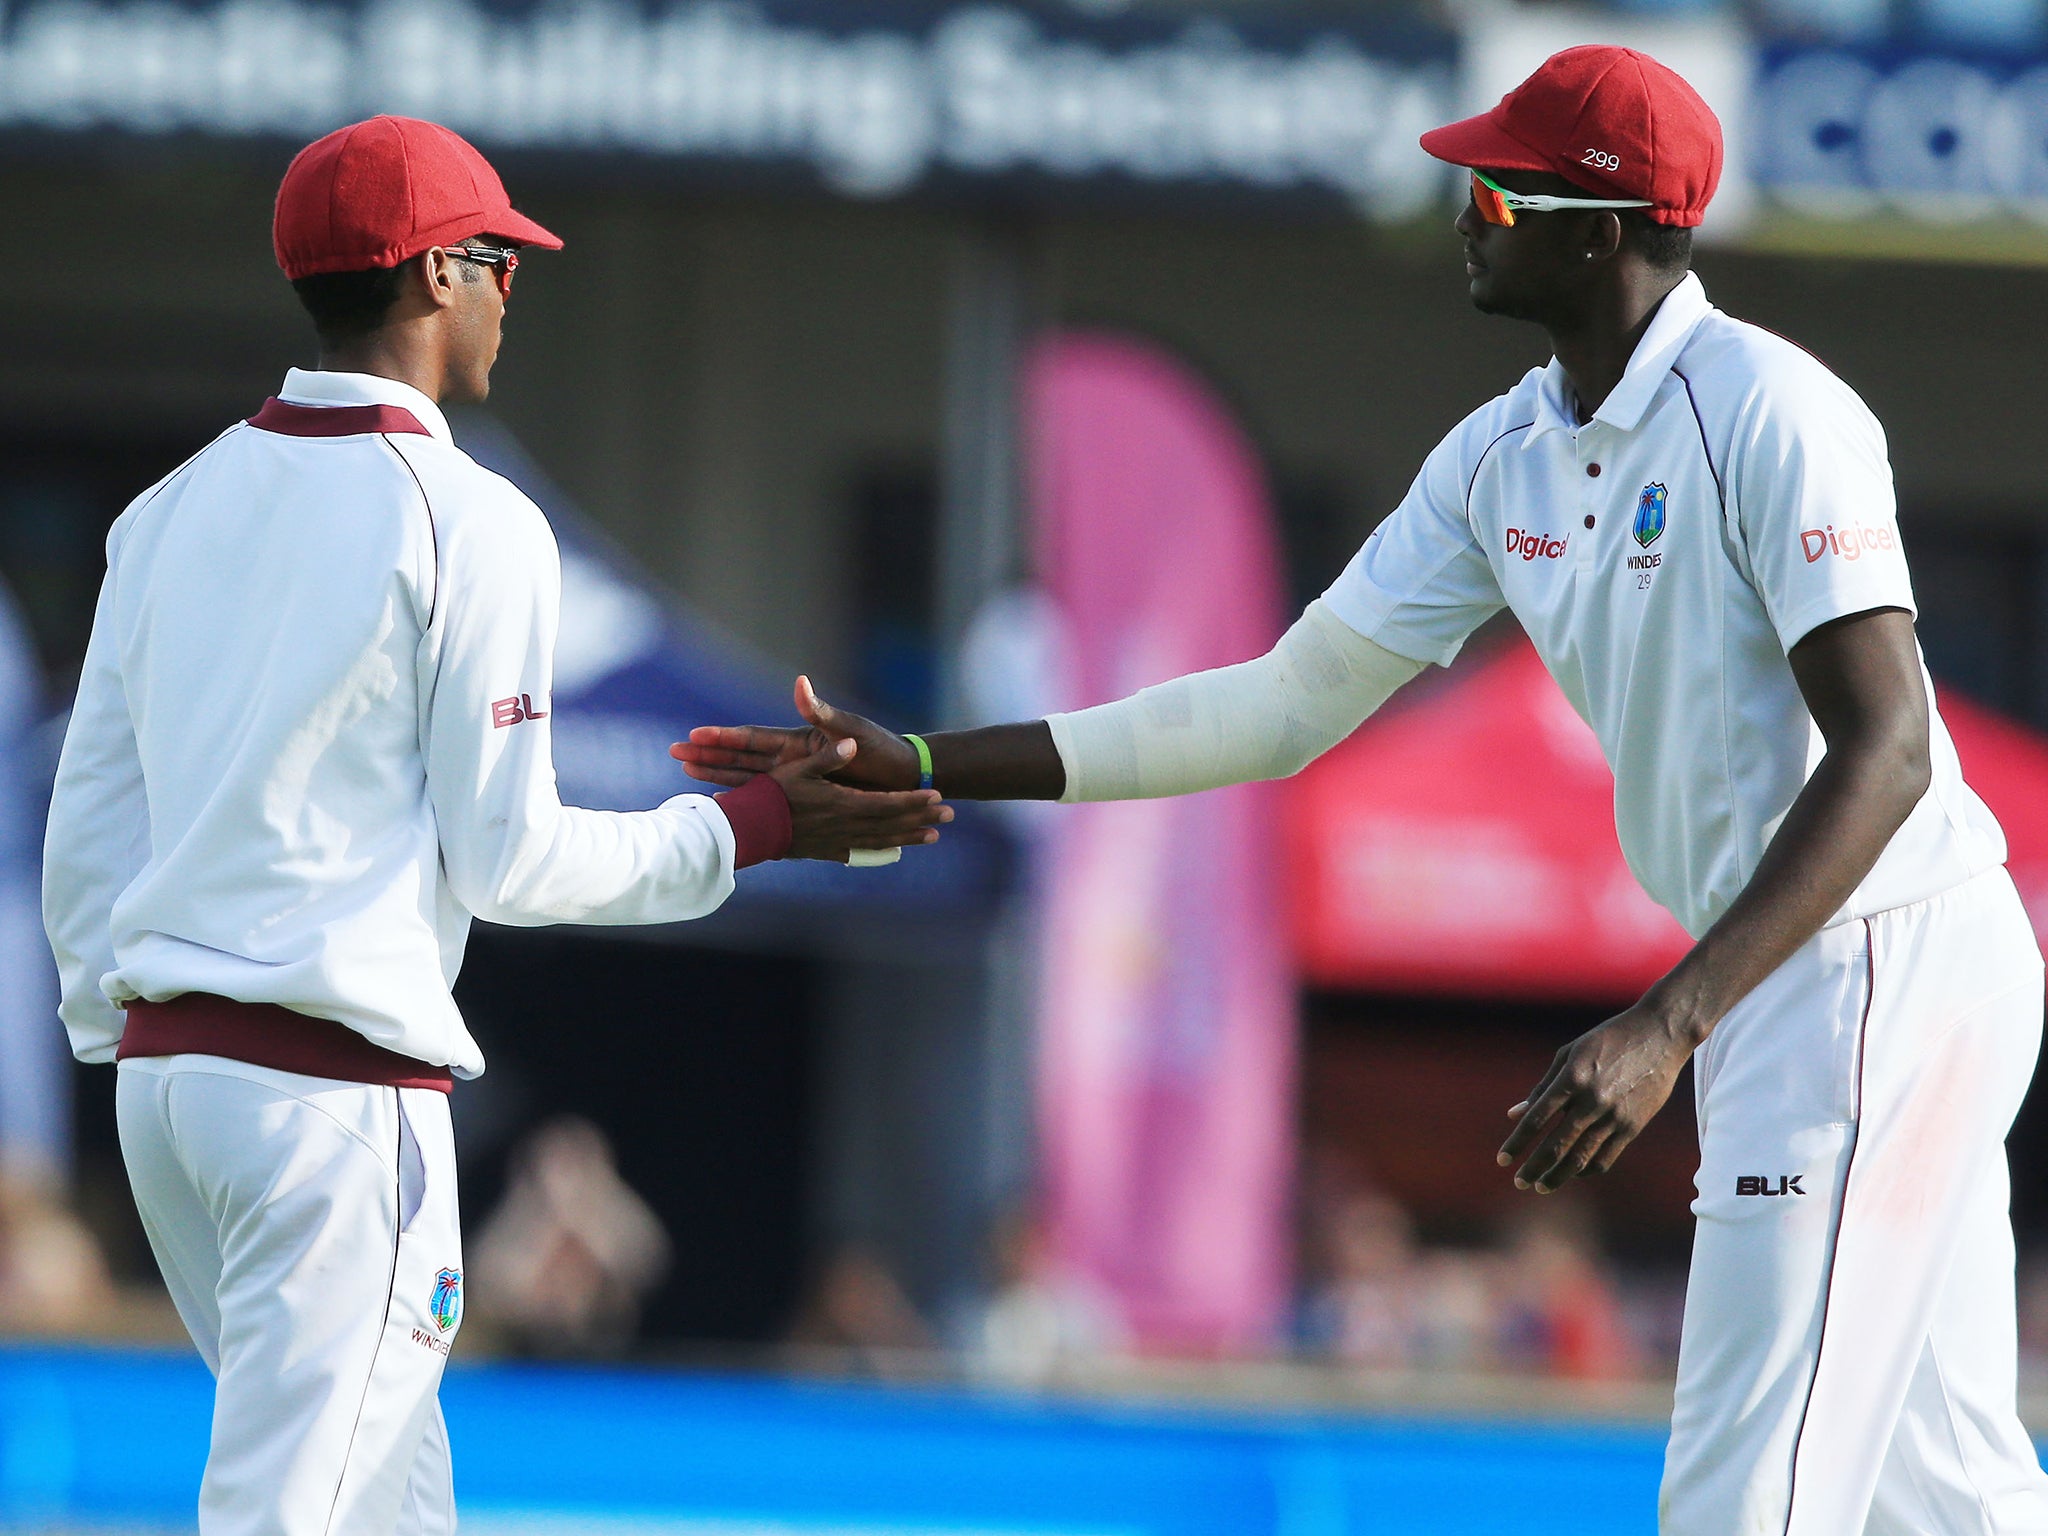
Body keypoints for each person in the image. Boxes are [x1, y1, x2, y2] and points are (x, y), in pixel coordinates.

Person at [676, 46, 2048, 1534]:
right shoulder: (1499, 460)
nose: (1463, 214)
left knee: (1746, 1498)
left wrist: (1667, 1020)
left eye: (1495, 192)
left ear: (1596, 228)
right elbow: (1273, 709)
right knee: (1945, 1489)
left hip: (1875, 958)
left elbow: (1891, 752)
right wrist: (939, 757)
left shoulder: (1776, 412)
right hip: (1795, 975)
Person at [41, 115, 948, 1536]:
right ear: (438, 271)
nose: (514, 290)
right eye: (500, 260)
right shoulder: (472, 521)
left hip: (173, 1095)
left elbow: (89, 819)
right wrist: (754, 830)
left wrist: (132, 1036)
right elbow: (513, 861)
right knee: (293, 1517)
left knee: (394, 1509)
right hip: (331, 1109)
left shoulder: (168, 510)